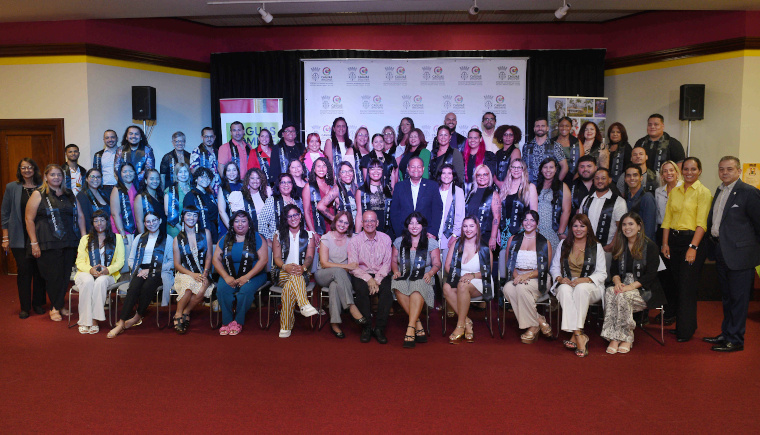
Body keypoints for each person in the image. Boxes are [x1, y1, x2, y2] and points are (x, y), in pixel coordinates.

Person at [703, 156, 760, 352]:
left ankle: (735, 339)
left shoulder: (749, 192)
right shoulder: (720, 190)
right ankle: (726, 333)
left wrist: (751, 250)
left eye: (729, 169)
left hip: (741, 256)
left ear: (738, 171)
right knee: (727, 297)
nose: (725, 172)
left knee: (739, 299)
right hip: (721, 251)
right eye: (721, 169)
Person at [661, 157, 711, 342]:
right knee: (677, 285)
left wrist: (693, 247)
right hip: (674, 242)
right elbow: (667, 220)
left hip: (692, 242)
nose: (689, 172)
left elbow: (702, 224)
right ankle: (686, 324)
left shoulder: (703, 192)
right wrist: (665, 244)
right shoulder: (675, 191)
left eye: (693, 169)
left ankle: (686, 330)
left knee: (687, 287)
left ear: (699, 171)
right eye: (686, 169)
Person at [601, 212, 666, 354]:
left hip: (644, 289)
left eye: (631, 224)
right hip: (623, 284)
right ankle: (614, 336)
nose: (627, 227)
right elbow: (613, 270)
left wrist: (629, 287)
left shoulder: (650, 246)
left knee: (622, 296)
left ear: (639, 226)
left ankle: (626, 338)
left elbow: (651, 275)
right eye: (624, 224)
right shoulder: (620, 245)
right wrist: (617, 282)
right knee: (611, 292)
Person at [25, 164, 81, 321]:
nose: (56, 177)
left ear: (63, 177)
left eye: (59, 175)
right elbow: (29, 219)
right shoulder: (38, 194)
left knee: (64, 276)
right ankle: (55, 308)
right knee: (53, 276)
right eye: (53, 175)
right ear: (45, 177)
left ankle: (60, 305)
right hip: (47, 240)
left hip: (69, 240)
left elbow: (78, 215)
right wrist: (34, 243)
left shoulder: (68, 194)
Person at [106, 212, 174, 338]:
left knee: (147, 286)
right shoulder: (139, 238)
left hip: (159, 271)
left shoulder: (168, 239)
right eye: (148, 221)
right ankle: (121, 322)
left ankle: (137, 316)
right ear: (144, 223)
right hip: (140, 269)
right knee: (133, 288)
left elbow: (171, 262)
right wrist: (138, 270)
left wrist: (150, 270)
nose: (151, 224)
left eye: (154, 220)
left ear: (159, 221)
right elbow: (131, 259)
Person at [550, 214, 607, 357]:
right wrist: (559, 278)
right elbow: (554, 267)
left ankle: (575, 335)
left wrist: (584, 280)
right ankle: (579, 334)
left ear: (588, 228)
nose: (578, 229)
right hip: (569, 282)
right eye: (575, 225)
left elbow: (602, 273)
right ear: (571, 228)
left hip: (590, 285)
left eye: (582, 225)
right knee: (563, 289)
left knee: (580, 289)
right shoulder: (564, 244)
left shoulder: (596, 246)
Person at [2, 158, 46, 319]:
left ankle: (38, 303)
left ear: (35, 169)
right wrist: (5, 238)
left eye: (29, 167)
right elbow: (5, 213)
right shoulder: (12, 187)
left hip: (40, 237)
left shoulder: (43, 187)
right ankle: (25, 307)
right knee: (24, 272)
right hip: (19, 237)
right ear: (20, 170)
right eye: (23, 168)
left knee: (40, 272)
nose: (27, 170)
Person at [212, 210, 268, 336]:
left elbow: (263, 259)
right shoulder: (225, 238)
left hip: (254, 275)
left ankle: (238, 321)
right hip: (229, 275)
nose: (240, 224)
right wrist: (226, 276)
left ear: (249, 223)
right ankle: (226, 322)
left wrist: (246, 277)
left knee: (245, 290)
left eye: (243, 221)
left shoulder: (257, 237)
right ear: (232, 224)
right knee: (222, 290)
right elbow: (215, 259)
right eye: (236, 221)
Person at [391, 212, 441, 348]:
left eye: (417, 223)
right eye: (411, 223)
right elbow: (394, 261)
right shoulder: (399, 241)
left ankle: (410, 328)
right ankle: (417, 323)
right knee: (397, 282)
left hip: (423, 275)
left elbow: (437, 264)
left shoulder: (431, 242)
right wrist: (395, 271)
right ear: (407, 226)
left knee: (417, 285)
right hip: (405, 274)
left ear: (422, 225)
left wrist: (430, 273)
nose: (414, 226)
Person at [502, 211, 553, 343]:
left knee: (521, 289)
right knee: (507, 288)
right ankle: (537, 321)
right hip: (517, 277)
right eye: (525, 220)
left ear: (538, 223)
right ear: (522, 222)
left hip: (538, 278)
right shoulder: (513, 239)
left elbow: (544, 268)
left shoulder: (544, 242)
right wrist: (517, 277)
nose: (528, 223)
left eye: (532, 220)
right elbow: (509, 264)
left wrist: (526, 276)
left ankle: (532, 328)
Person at [314, 211, 366, 338]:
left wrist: (347, 268)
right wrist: (345, 266)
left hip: (343, 277)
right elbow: (324, 263)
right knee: (338, 272)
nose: (342, 225)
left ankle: (335, 323)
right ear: (335, 222)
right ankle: (351, 306)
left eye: (346, 222)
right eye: (340, 221)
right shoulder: (326, 237)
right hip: (324, 274)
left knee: (334, 286)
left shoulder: (352, 239)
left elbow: (355, 262)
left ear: (349, 225)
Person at [442, 216, 494, 344]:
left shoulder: (484, 247)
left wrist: (472, 276)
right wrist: (460, 277)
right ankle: (467, 321)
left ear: (477, 228)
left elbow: (487, 271)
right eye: (465, 226)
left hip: (479, 280)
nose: (468, 229)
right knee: (446, 287)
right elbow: (447, 266)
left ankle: (460, 326)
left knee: (463, 285)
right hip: (460, 278)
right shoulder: (456, 244)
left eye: (471, 226)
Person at [73, 210, 125, 334]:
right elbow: (79, 261)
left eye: (102, 220)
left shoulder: (117, 238)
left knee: (101, 281)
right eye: (96, 221)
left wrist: (108, 270)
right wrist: (90, 270)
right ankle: (85, 321)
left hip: (108, 275)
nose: (99, 223)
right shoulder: (85, 239)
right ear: (92, 223)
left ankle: (95, 320)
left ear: (107, 222)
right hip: (85, 273)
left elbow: (120, 261)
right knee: (88, 280)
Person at [272, 204, 319, 338]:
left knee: (289, 287)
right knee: (292, 276)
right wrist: (285, 266)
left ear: (300, 216)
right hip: (281, 271)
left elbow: (310, 257)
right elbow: (276, 258)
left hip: (301, 272)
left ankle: (286, 325)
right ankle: (304, 304)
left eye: (296, 215)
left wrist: (303, 267)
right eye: (289, 216)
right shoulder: (278, 234)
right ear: (285, 219)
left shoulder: (309, 235)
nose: (293, 218)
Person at [348, 210, 394, 344]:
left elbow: (387, 264)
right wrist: (369, 279)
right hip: (361, 274)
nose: (369, 223)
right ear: (362, 223)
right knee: (361, 291)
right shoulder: (354, 241)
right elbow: (353, 266)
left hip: (381, 273)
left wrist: (377, 280)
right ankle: (366, 327)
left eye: (372, 220)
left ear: (377, 223)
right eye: (366, 221)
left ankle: (379, 328)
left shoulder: (386, 238)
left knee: (387, 292)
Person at [171, 206, 213, 334]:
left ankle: (186, 311)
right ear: (183, 217)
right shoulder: (177, 239)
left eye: (195, 215)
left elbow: (209, 256)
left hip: (202, 271)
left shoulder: (205, 233)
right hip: (185, 272)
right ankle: (178, 314)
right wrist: (192, 274)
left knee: (201, 289)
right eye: (188, 215)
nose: (191, 218)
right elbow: (177, 264)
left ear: (198, 218)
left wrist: (205, 273)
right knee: (188, 287)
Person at [579, 168, 628, 270]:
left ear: (609, 180)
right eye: (597, 178)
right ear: (593, 180)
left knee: (605, 280)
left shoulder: (619, 202)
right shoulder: (586, 200)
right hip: (585, 248)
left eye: (603, 178)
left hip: (607, 249)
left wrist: (612, 245)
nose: (599, 181)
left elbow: (621, 227)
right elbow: (579, 222)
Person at [653, 160, 681, 325]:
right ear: (662, 175)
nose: (668, 173)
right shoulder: (658, 191)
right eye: (665, 171)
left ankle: (678, 311)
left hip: (678, 235)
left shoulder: (685, 189)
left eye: (672, 170)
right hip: (661, 235)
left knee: (677, 275)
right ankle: (668, 311)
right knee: (664, 275)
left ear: (677, 172)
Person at [390, 156, 443, 240]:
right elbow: (394, 212)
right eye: (413, 166)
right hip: (404, 234)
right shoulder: (399, 186)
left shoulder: (432, 186)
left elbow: (437, 210)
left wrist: (433, 232)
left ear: (423, 168)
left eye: (419, 167)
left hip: (427, 234)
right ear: (408, 168)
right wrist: (399, 234)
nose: (416, 169)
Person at [498, 158, 537, 248]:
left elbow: (534, 214)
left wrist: (529, 232)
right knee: (505, 259)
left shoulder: (530, 187)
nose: (516, 170)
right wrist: (498, 231)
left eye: (519, 167)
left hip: (522, 230)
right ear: (510, 169)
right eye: (513, 167)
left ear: (523, 170)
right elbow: (500, 212)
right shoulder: (505, 187)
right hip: (505, 231)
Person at [535, 157, 571, 251]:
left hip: (554, 229)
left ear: (556, 169)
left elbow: (567, 210)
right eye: (545, 167)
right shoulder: (536, 186)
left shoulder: (562, 186)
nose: (548, 170)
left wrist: (560, 231)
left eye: (551, 167)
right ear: (541, 170)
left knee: (553, 259)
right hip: (538, 229)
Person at [259, 173, 303, 246]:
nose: (286, 185)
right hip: (277, 243)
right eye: (283, 182)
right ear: (278, 185)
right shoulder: (272, 201)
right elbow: (262, 223)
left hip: (296, 241)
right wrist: (268, 241)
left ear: (292, 185)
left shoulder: (298, 201)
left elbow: (302, 222)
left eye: (289, 182)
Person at [464, 164, 501, 251]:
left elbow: (497, 217)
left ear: (489, 176)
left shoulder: (493, 194)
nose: (482, 177)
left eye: (485, 174)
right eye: (479, 175)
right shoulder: (471, 193)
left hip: (485, 235)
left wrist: (493, 237)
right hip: (470, 234)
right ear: (475, 177)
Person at [523, 118, 568, 184]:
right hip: (529, 186)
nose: (540, 128)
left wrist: (556, 184)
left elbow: (565, 167)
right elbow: (523, 167)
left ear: (547, 128)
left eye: (543, 126)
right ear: (534, 129)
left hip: (547, 188)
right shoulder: (527, 146)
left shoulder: (555, 146)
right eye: (537, 126)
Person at [356, 159, 394, 237]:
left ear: (383, 171)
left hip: (386, 232)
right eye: (372, 168)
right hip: (368, 232)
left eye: (379, 168)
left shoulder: (389, 189)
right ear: (368, 172)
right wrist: (356, 235)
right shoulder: (361, 191)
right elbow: (359, 215)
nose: (376, 171)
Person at [110, 163, 139, 264]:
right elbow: (115, 214)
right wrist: (123, 235)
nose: (128, 174)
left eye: (130, 171)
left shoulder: (136, 187)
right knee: (125, 262)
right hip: (122, 231)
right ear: (120, 174)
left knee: (134, 260)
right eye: (124, 171)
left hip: (134, 230)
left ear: (135, 173)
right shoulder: (116, 190)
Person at [437, 164, 465, 267]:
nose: (446, 175)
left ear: (453, 175)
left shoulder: (458, 191)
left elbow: (460, 215)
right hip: (435, 234)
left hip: (449, 235)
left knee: (447, 265)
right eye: (443, 173)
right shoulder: (436, 190)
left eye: (449, 173)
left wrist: (454, 235)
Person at [183, 167, 219, 244]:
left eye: (208, 177)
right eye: (202, 176)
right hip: (199, 237)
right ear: (196, 179)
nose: (205, 179)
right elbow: (187, 218)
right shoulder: (190, 196)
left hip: (213, 234)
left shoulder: (209, 195)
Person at [621, 165, 657, 240]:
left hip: (643, 244)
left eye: (635, 175)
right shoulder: (626, 197)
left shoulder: (647, 197)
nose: (632, 178)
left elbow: (649, 229)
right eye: (628, 176)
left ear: (641, 178)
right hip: (629, 241)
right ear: (625, 179)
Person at [303, 156, 334, 239]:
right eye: (318, 166)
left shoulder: (332, 186)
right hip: (316, 225)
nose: (321, 169)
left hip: (331, 224)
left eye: (324, 166)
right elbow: (306, 211)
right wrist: (313, 232)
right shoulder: (308, 187)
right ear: (314, 169)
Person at [77, 168, 111, 234]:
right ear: (86, 179)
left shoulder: (104, 193)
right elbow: (84, 219)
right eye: (92, 176)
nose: (95, 179)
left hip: (108, 232)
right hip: (93, 234)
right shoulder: (82, 195)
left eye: (98, 177)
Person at [164, 163, 193, 238]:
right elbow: (168, 212)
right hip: (175, 228)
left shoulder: (192, 189)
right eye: (180, 172)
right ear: (176, 174)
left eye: (185, 171)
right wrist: (181, 229)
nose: (183, 174)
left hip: (191, 227)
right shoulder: (170, 190)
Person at [134, 169, 167, 234]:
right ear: (146, 181)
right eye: (151, 179)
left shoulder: (162, 196)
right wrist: (144, 240)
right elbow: (139, 222)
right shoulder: (140, 198)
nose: (155, 181)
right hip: (147, 236)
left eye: (157, 179)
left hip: (161, 235)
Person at [217, 162, 243, 239]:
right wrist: (232, 228)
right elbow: (222, 211)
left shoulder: (243, 186)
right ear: (225, 173)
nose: (231, 173)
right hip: (227, 224)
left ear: (238, 172)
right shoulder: (223, 188)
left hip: (242, 223)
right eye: (228, 170)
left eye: (234, 170)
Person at [551, 117, 581, 185]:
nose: (564, 128)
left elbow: (580, 163)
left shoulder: (576, 142)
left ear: (571, 127)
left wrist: (575, 180)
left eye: (567, 126)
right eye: (561, 126)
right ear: (558, 127)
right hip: (555, 177)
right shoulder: (552, 142)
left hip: (572, 178)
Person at [189, 127, 220, 192]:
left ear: (214, 137)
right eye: (206, 136)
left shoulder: (218, 151)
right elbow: (194, 171)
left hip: (218, 187)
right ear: (202, 137)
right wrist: (206, 182)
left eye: (211, 136)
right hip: (205, 188)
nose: (209, 139)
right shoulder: (196, 152)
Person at [92, 129, 122, 195]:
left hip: (121, 188)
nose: (110, 140)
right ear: (104, 140)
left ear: (117, 139)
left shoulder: (123, 153)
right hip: (104, 189)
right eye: (107, 138)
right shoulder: (98, 155)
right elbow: (95, 173)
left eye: (112, 137)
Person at [493, 125, 522, 189]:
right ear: (501, 136)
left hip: (510, 186)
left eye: (511, 135)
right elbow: (492, 171)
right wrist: (497, 182)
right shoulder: (497, 153)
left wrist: (505, 185)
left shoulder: (515, 151)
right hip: (496, 187)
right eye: (505, 134)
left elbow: (515, 171)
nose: (508, 137)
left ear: (515, 137)